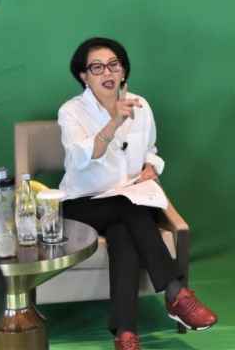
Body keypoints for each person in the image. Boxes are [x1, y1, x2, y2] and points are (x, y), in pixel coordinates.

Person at [58, 37, 217, 350]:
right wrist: (115, 120)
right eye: (97, 67)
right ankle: (175, 292)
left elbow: (151, 149)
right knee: (128, 208)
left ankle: (126, 334)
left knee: (124, 235)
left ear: (123, 70)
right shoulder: (71, 111)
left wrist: (151, 166)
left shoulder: (140, 105)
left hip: (131, 200)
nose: (107, 72)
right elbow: (81, 158)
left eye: (114, 65)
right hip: (83, 204)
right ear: (83, 76)